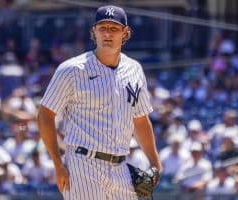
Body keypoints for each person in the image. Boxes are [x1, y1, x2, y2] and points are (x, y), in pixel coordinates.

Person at [37, 5, 162, 200]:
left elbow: (140, 120)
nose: (107, 33)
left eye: (113, 28)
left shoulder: (135, 70)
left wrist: (155, 164)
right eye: (102, 27)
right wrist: (57, 164)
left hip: (121, 168)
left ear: (125, 32)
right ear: (93, 31)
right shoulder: (72, 70)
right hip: (83, 164)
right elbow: (45, 114)